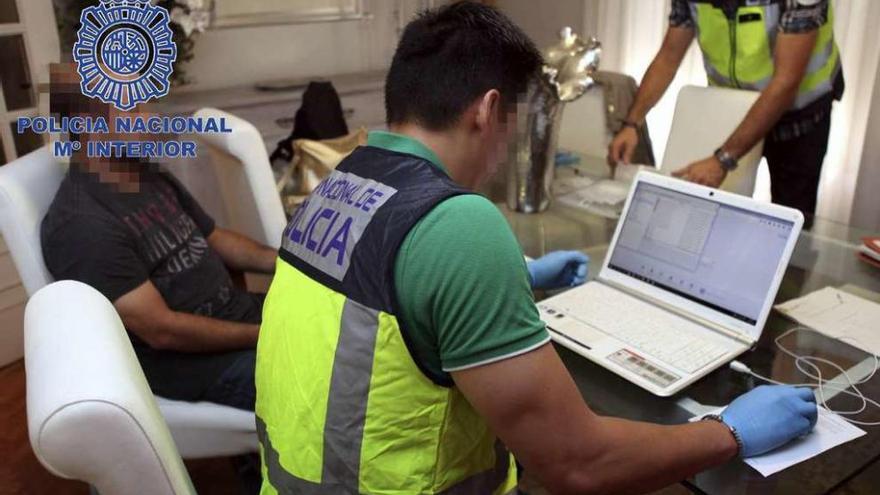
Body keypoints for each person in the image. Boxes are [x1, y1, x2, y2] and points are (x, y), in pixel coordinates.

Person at [255, 3, 817, 494]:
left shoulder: (341, 181)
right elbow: (579, 466)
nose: (504, 151)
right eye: (512, 126)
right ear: (485, 110)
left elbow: (381, 294)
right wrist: (727, 433)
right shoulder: (459, 226)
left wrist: (519, 273)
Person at [41, 65, 275, 414]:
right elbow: (162, 331)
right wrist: (266, 335)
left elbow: (214, 237)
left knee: (352, 333)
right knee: (348, 378)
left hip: (240, 318)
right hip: (200, 366)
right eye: (134, 109)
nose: (151, 117)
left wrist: (289, 261)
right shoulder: (81, 225)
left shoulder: (142, 173)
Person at [608, 0, 842, 228]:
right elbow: (668, 57)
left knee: (791, 221)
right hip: (733, 108)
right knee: (710, 212)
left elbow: (785, 83)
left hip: (799, 115)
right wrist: (632, 123)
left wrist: (723, 160)